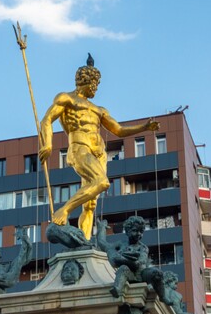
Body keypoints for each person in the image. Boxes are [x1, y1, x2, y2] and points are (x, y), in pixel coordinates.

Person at [39, 55, 159, 239]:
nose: (96, 87)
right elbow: (47, 120)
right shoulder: (67, 99)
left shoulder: (99, 109)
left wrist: (145, 127)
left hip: (99, 152)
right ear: (84, 81)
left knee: (90, 204)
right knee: (102, 182)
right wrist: (48, 144)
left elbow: (118, 130)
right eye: (94, 83)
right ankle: (64, 210)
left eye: (98, 84)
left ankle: (84, 241)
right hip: (80, 147)